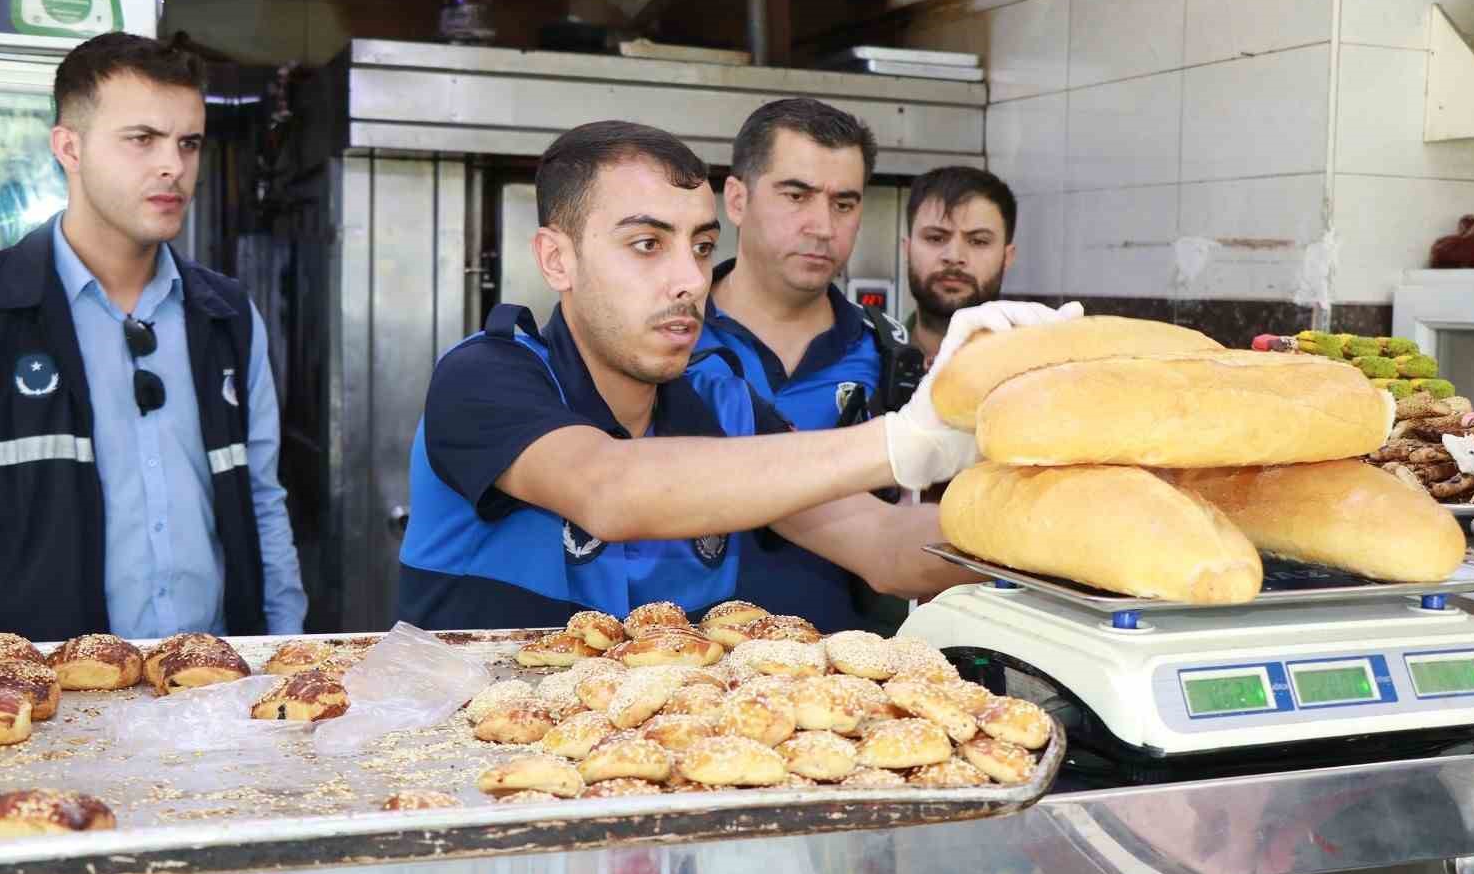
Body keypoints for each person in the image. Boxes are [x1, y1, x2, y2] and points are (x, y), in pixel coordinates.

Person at [397, 120, 1074, 630]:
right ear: (556, 260)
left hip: (663, 782)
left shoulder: (720, 399)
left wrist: (1053, 522)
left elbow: (885, 546)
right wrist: (901, 442)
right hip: (472, 782)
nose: (689, 280)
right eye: (645, 245)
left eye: (700, 247)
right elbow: (610, 490)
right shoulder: (488, 377)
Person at [0, 32, 307, 641]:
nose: (172, 167)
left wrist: (281, 652)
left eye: (188, 143)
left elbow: (263, 504)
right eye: (142, 140)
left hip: (208, 687)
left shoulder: (227, 315)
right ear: (69, 148)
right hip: (45, 704)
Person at [691, 98, 918, 630]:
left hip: (842, 685)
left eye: (844, 203)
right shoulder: (668, 339)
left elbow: (900, 537)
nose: (822, 225)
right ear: (738, 199)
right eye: (797, 195)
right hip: (679, 672)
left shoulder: (888, 355)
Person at [903, 166, 1021, 368]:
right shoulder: (866, 365)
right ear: (907, 249)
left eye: (978, 241)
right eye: (935, 238)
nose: (954, 257)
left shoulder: (1037, 373)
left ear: (1007, 257)